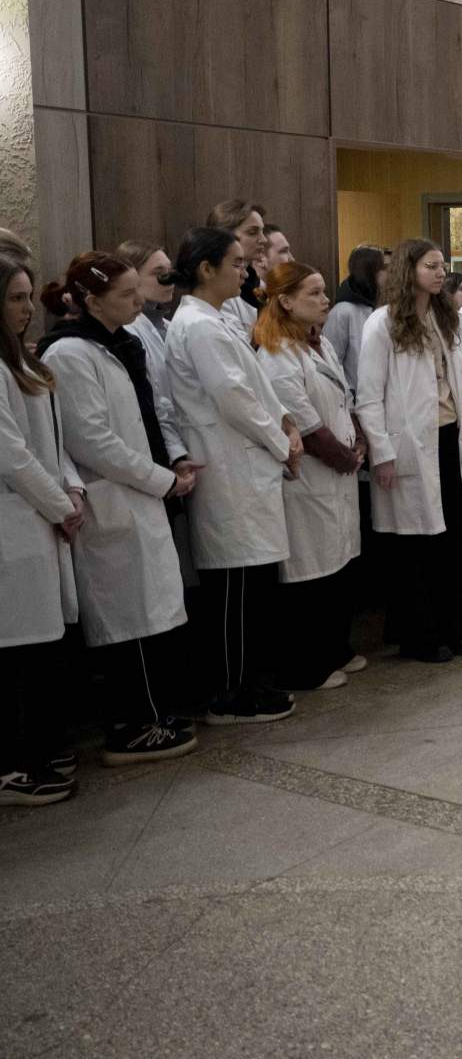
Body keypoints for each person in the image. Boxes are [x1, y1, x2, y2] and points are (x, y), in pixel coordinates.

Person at [37, 254, 199, 767]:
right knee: (126, 623)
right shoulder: (69, 353)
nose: (137, 301)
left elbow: (151, 414)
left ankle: (153, 715)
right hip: (115, 497)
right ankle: (131, 727)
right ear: (91, 301)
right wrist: (159, 479)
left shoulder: (121, 344)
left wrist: (172, 459)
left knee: (150, 615)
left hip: (140, 494)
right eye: (126, 294)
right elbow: (92, 440)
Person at [164, 227, 302, 717]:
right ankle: (232, 692)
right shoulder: (198, 325)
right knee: (236, 589)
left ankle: (253, 682)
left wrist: (284, 422)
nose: (246, 272)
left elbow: (254, 383)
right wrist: (280, 442)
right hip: (229, 466)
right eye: (237, 263)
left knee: (255, 584)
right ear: (206, 270)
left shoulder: (216, 319)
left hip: (245, 463)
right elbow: (233, 397)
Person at [356, 237, 462, 658]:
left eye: (442, 266)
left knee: (454, 539)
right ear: (408, 270)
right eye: (430, 266)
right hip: (409, 447)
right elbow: (368, 396)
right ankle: (421, 636)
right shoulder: (382, 323)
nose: (439, 273)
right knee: (417, 547)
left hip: (450, 437)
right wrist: (382, 453)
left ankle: (453, 626)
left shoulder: (446, 318)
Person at [250, 260, 367, 689]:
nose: (325, 300)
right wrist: (345, 458)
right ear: (285, 301)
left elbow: (343, 399)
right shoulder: (276, 354)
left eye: (324, 291)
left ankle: (335, 648)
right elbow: (304, 423)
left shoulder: (319, 344)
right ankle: (306, 666)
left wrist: (358, 441)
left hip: (338, 473)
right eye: (314, 293)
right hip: (310, 478)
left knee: (339, 566)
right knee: (311, 573)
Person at [1, 253, 84, 805]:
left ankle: (38, 749)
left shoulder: (21, 362)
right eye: (15, 298)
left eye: (29, 296)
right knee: (15, 654)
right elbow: (11, 455)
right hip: (15, 521)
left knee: (39, 650)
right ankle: (13, 767)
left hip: (40, 517)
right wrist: (61, 506)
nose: (28, 308)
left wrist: (70, 491)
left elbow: (52, 444)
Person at [114, 241, 191, 476]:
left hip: (184, 439)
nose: (169, 280)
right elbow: (156, 401)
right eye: (159, 273)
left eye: (170, 272)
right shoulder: (129, 331)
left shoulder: (170, 326)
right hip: (153, 447)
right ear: (131, 278)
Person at [325, 245, 386, 393]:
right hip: (354, 396)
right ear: (369, 271)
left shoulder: (386, 308)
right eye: (385, 268)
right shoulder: (343, 312)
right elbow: (330, 363)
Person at [207, 200, 268, 340]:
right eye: (253, 232)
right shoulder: (217, 291)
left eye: (262, 232)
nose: (263, 239)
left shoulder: (258, 283)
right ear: (225, 237)